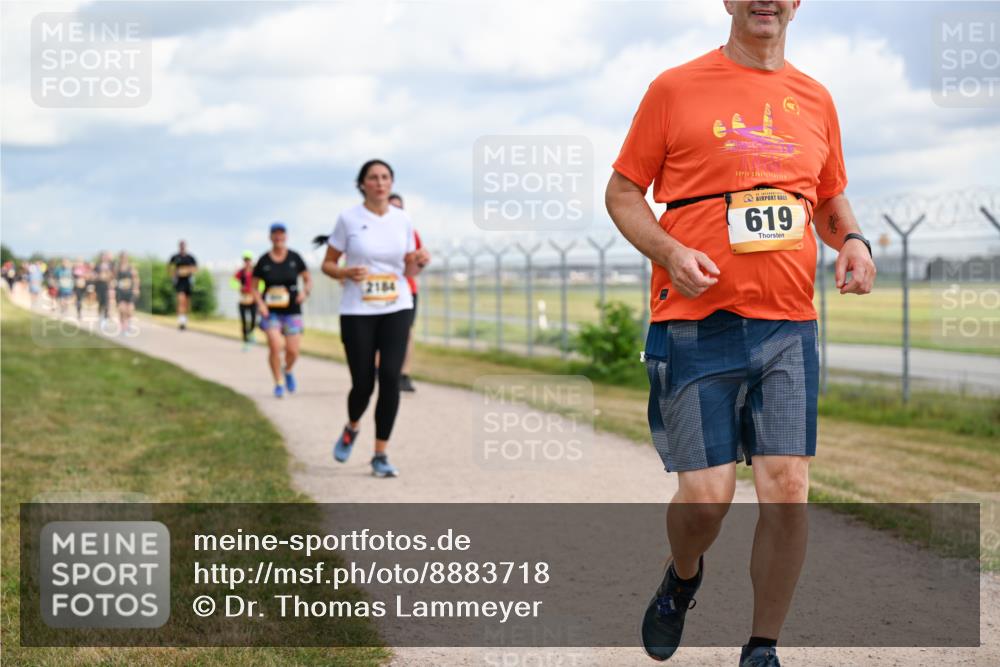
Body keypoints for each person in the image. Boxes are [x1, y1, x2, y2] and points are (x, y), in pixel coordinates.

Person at [605, 2, 876, 665]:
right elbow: (622, 193)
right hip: (694, 325)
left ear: (796, 4)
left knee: (787, 488)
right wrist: (670, 251)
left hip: (788, 326)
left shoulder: (816, 98)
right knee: (707, 500)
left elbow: (828, 197)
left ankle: (762, 646)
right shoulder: (675, 88)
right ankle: (682, 576)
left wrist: (853, 240)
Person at [318, 160, 430, 478]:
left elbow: (408, 270)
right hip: (358, 310)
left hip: (397, 305)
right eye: (373, 178)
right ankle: (352, 426)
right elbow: (328, 263)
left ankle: (380, 454)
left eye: (385, 177)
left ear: (391, 183)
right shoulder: (348, 218)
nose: (380, 183)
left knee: (391, 378)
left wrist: (420, 261)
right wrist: (345, 272)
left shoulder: (403, 220)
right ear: (362, 184)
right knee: (363, 384)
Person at [253, 222, 312, 398]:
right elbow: (254, 287)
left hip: (292, 310)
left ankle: (288, 370)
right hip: (271, 312)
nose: (278, 237)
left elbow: (308, 279)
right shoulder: (263, 260)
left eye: (281, 234)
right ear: (270, 237)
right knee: (275, 345)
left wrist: (305, 292)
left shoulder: (295, 257)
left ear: (286, 236)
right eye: (275, 234)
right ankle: (278, 382)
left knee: (293, 351)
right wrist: (260, 304)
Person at [388, 192, 422, 393]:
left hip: (406, 290)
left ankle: (404, 374)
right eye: (392, 207)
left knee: (406, 332)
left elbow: (417, 260)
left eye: (399, 208)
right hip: (380, 290)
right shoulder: (373, 231)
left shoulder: (411, 233)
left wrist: (421, 261)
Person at [168, 240, 198, 330]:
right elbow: (169, 269)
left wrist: (186, 271)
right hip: (179, 282)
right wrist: (175, 273)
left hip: (188, 282)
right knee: (181, 301)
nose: (182, 247)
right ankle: (181, 322)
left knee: (187, 303)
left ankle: (185, 320)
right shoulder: (175, 257)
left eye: (184, 246)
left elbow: (195, 269)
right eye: (181, 246)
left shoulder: (190, 258)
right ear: (179, 247)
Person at [233, 250, 258, 351]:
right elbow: (233, 282)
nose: (247, 262)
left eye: (249, 260)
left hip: (253, 299)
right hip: (243, 299)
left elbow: (261, 283)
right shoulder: (241, 272)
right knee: (243, 322)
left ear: (251, 260)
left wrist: (256, 293)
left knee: (254, 320)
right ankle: (245, 342)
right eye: (245, 260)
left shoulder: (256, 272)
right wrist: (239, 287)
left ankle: (251, 334)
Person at [115, 252, 139, 334]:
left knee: (130, 310)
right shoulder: (117, 267)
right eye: (122, 257)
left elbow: (136, 279)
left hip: (130, 291)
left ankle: (129, 324)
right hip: (120, 291)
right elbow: (113, 278)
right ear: (120, 258)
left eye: (125, 257)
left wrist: (136, 288)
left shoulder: (131, 267)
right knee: (122, 309)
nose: (124, 259)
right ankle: (123, 325)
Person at [92, 253, 114, 325]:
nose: (103, 258)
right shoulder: (97, 265)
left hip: (106, 286)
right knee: (100, 302)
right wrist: (98, 277)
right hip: (98, 286)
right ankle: (100, 316)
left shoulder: (110, 265)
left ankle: (105, 317)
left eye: (105, 257)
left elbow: (112, 275)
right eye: (102, 257)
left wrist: (107, 276)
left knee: (106, 302)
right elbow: (93, 275)